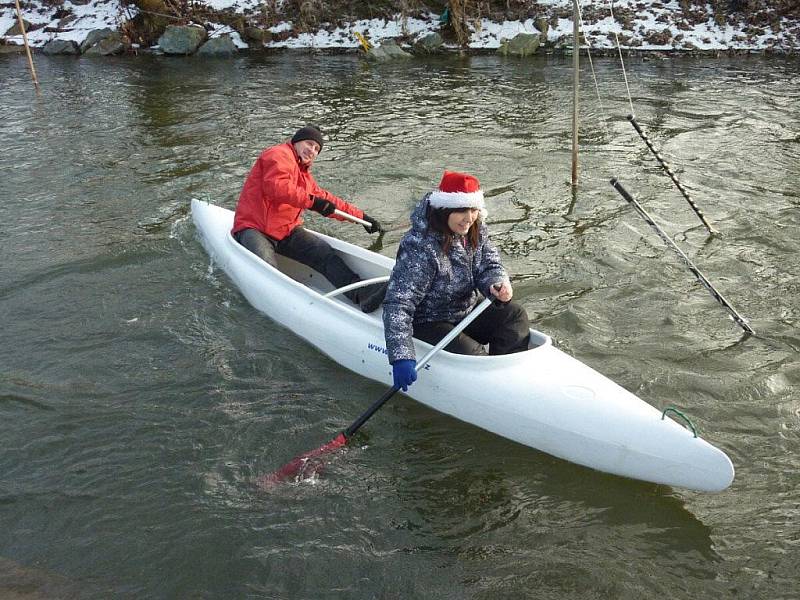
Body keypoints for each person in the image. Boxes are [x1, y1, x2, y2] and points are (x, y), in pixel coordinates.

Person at [382, 170, 531, 391]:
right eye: (461, 210)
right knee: (473, 359)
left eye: (473, 210)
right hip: (429, 320)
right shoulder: (420, 248)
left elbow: (489, 263)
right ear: (445, 210)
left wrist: (496, 283)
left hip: (465, 310)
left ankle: (507, 380)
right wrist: (401, 355)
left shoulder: (475, 229)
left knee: (514, 314)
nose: (468, 218)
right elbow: (398, 305)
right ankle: (489, 386)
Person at [232, 125, 387, 312]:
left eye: (316, 149)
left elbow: (329, 201)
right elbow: (278, 188)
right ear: (297, 141)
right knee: (267, 268)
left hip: (285, 231)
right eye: (309, 143)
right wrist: (313, 202)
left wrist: (362, 218)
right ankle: (280, 306)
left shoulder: (304, 175)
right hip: (253, 227)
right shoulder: (278, 155)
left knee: (324, 253)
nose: (312, 151)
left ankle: (363, 293)